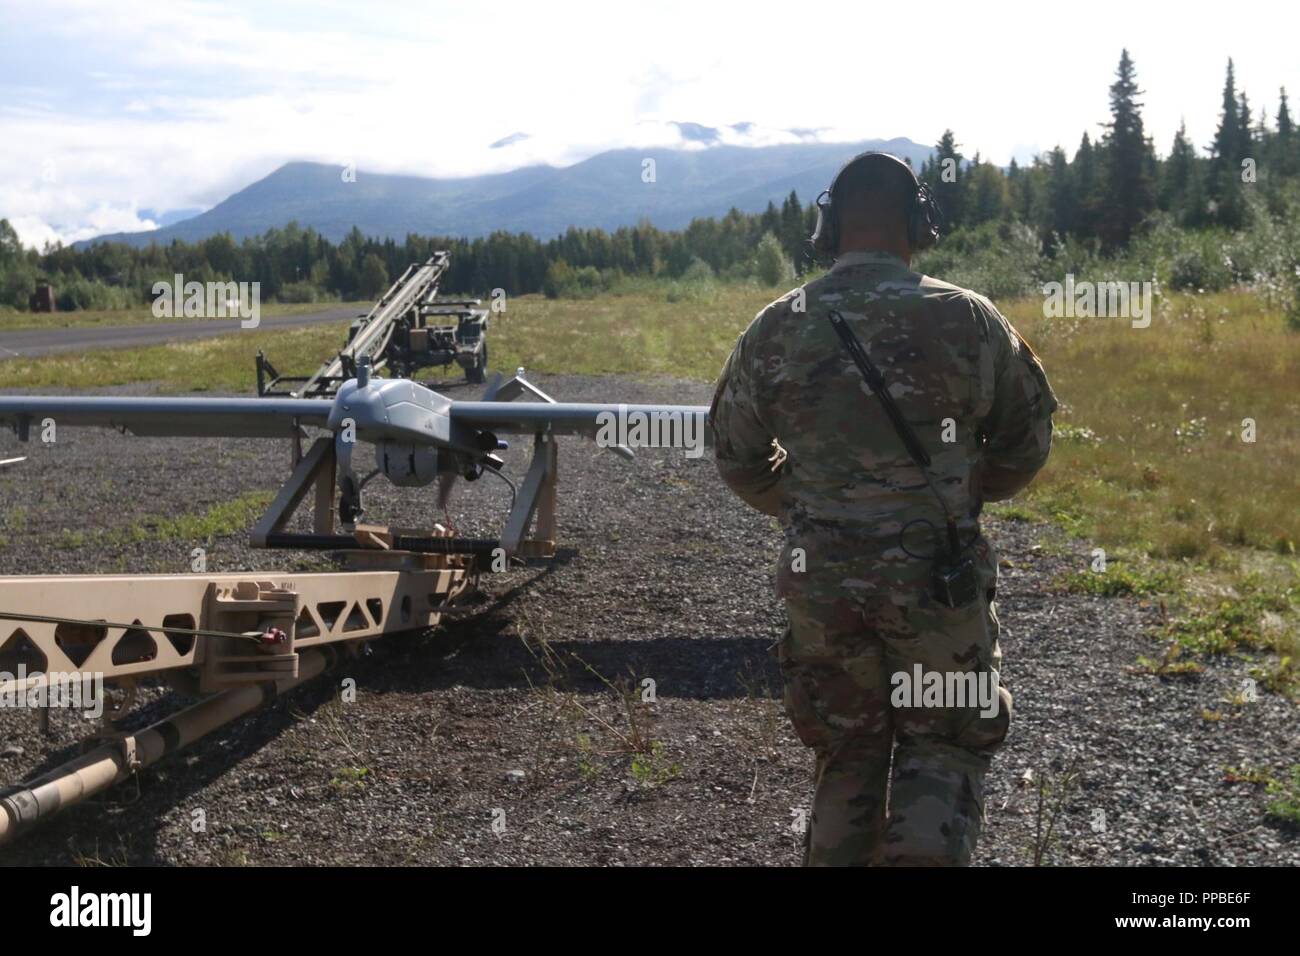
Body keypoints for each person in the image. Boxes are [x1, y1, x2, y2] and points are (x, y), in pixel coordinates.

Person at [710, 151, 1057, 866]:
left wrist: (809, 506)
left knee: (847, 754)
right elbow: (1025, 447)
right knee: (943, 746)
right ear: (919, 224)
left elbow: (736, 456)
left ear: (828, 228)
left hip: (824, 583)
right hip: (937, 579)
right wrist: (955, 497)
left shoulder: (776, 326)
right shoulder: (969, 318)